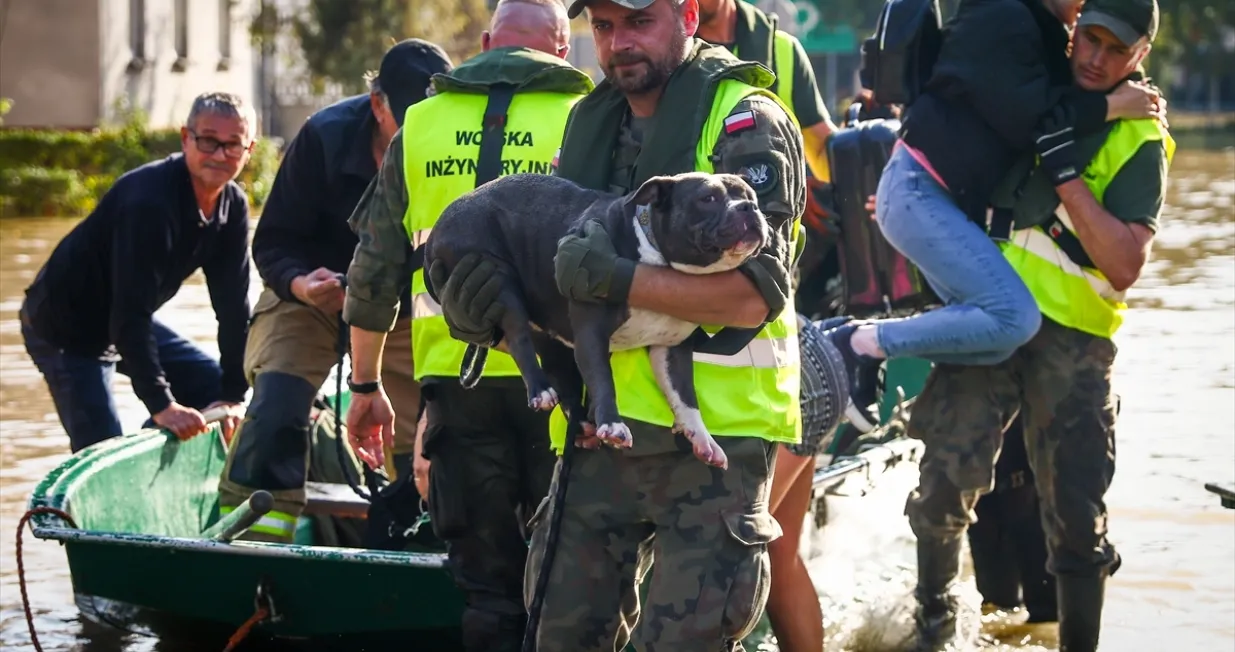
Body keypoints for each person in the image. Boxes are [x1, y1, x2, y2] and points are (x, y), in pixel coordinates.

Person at [427, 0, 809, 649]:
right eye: (602, 27)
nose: (616, 43)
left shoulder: (743, 119)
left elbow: (751, 296)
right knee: (557, 637)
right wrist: (481, 315)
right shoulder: (586, 121)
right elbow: (558, 292)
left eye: (638, 21)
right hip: (593, 440)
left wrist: (615, 279)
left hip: (713, 440)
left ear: (688, 14)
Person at [901, 0, 1172, 647]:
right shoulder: (1038, 77)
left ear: (1139, 59)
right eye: (1088, 38)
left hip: (1072, 343)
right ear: (1073, 28)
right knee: (942, 484)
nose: (1094, 57)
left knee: (1076, 513)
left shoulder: (1140, 136)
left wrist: (1066, 178)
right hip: (988, 318)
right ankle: (932, 631)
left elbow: (1125, 262)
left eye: (1114, 49)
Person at [342, 2, 591, 650]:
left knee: (485, 586)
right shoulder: (591, 118)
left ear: (484, 44)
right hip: (561, 384)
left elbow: (372, 276)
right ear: (560, 53)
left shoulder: (418, 125)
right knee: (565, 572)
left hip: (457, 385)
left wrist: (365, 387)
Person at [824, 0, 1164, 423]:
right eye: (1091, 36)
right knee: (1015, 318)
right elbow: (1037, 122)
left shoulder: (1044, 30)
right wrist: (1114, 107)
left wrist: (1129, 98)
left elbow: (1058, 104)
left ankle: (857, 350)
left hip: (931, 197)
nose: (1082, 6)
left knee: (999, 337)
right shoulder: (1004, 15)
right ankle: (857, 343)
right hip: (920, 189)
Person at [215, 39, 453, 543]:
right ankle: (251, 541)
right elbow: (274, 242)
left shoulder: (457, 146)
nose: (419, 139)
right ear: (377, 105)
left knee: (426, 441)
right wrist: (301, 284)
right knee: (277, 404)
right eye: (406, 126)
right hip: (312, 301)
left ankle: (418, 542)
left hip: (407, 312)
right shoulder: (323, 137)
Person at [694, 3, 850, 650]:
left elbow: (823, 143)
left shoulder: (778, 54)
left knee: (719, 568)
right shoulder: (647, 84)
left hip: (783, 365)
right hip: (803, 352)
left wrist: (847, 193)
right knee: (777, 560)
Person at [20, 92, 256, 453]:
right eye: (208, 141)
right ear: (185, 138)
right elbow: (130, 313)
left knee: (216, 391)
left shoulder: (233, 207)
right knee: (101, 449)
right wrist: (161, 405)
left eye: (232, 145)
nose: (219, 155)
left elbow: (234, 311)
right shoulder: (149, 202)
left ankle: (160, 459)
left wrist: (233, 396)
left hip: (124, 318)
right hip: (67, 327)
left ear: (249, 150)